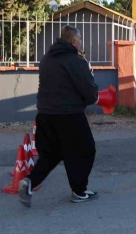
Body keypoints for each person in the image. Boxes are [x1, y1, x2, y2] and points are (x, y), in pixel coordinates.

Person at [19, 25, 99, 208]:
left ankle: (30, 182)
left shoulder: (47, 59)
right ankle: (79, 191)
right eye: (80, 40)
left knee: (51, 154)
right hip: (69, 115)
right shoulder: (76, 61)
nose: (81, 43)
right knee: (85, 150)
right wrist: (93, 96)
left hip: (45, 115)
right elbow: (88, 90)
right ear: (73, 41)